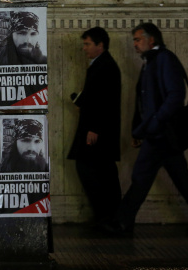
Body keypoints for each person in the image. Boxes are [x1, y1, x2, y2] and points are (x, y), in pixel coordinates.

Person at [105, 23, 188, 235]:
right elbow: (144, 102)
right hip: (157, 132)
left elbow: (175, 96)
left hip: (161, 134)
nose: (135, 45)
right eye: (134, 40)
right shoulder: (151, 61)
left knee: (141, 176)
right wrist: (139, 131)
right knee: (180, 176)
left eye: (138, 40)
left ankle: (122, 222)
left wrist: (154, 124)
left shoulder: (164, 59)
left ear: (152, 40)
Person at [67, 27, 122, 226]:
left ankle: (107, 216)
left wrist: (94, 127)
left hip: (96, 131)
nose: (84, 48)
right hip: (97, 129)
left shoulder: (105, 66)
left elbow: (105, 101)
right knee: (103, 171)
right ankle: (110, 216)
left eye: (87, 44)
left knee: (92, 170)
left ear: (101, 45)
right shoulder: (101, 65)